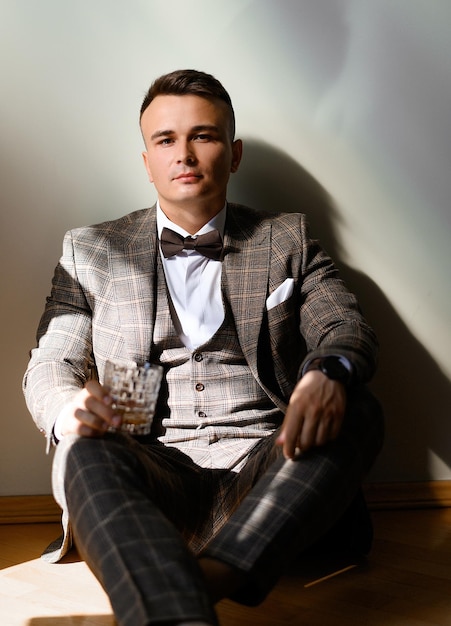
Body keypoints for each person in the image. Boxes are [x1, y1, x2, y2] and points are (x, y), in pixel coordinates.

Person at [24, 69, 384, 626]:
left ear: (233, 153)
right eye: (166, 140)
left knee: (356, 404)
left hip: (267, 472)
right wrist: (68, 408)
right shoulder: (92, 249)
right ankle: (184, 602)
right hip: (153, 474)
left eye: (204, 136)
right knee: (84, 449)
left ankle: (213, 575)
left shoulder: (284, 238)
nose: (184, 154)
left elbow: (345, 328)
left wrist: (327, 373)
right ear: (146, 161)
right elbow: (53, 360)